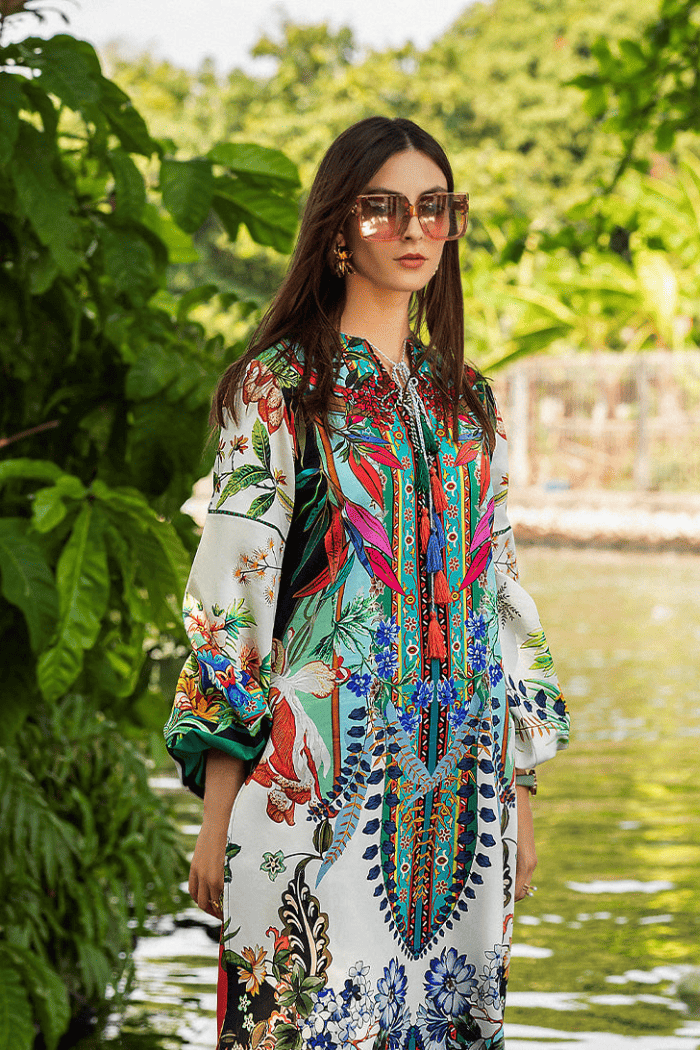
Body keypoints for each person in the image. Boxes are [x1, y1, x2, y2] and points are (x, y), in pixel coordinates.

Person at [164, 115, 569, 1050]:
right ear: (338, 229)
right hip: (309, 792)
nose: (415, 229)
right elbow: (233, 604)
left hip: (464, 803)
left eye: (436, 208)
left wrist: (520, 794)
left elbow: (502, 597)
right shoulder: (278, 390)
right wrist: (219, 811)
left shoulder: (470, 404)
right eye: (384, 208)